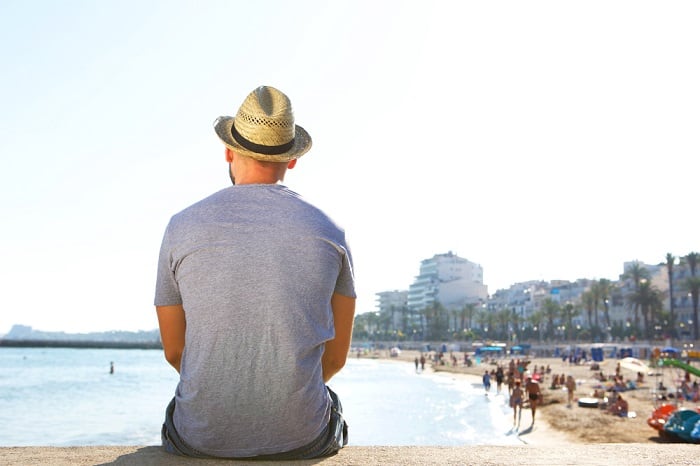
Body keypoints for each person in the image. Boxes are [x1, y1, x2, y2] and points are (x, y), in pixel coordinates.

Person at [154, 86, 356, 460]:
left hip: (201, 437)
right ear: (292, 159)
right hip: (301, 438)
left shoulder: (181, 226)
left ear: (229, 150)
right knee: (331, 405)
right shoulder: (330, 231)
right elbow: (335, 360)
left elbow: (175, 350)